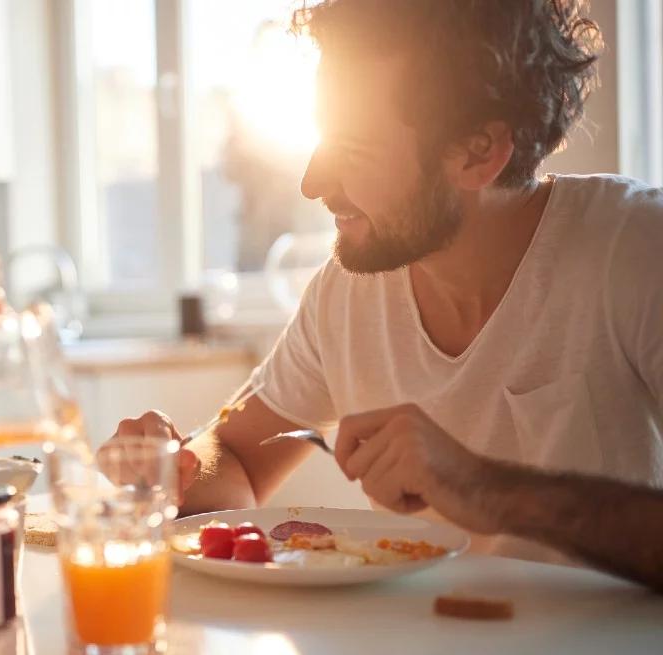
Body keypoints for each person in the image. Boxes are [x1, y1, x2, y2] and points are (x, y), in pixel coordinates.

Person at [111, 0, 663, 591]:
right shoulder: (346, 293)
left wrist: (488, 489)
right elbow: (238, 455)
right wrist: (172, 470)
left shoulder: (634, 251)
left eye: (354, 149)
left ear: (478, 152)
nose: (313, 182)